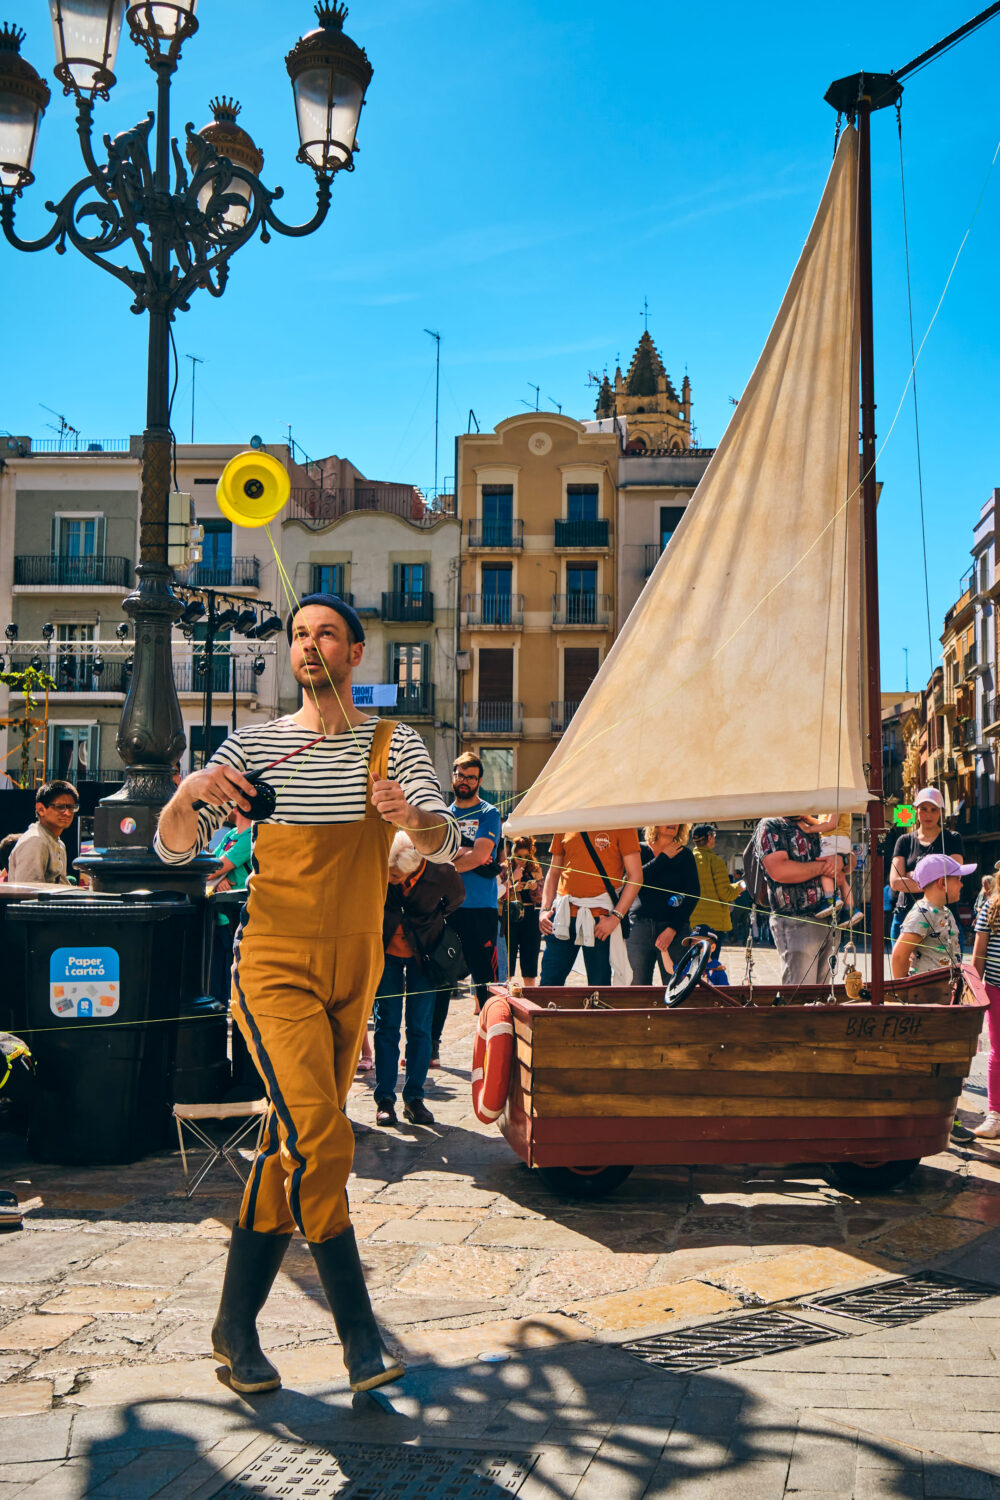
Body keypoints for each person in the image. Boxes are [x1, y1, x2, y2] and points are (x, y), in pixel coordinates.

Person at [154, 593, 459, 1396]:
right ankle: (360, 1336)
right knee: (324, 1137)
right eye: (298, 635)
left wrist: (413, 822)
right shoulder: (252, 747)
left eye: (326, 633)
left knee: (296, 1146)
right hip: (274, 965)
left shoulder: (395, 746)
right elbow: (179, 845)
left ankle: (233, 1328)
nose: (309, 644)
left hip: (355, 968)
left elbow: (442, 835)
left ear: (357, 653)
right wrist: (188, 796)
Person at [373, 832, 464, 1127]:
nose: (390, 878)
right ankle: (385, 1099)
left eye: (396, 874)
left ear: (415, 866)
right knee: (386, 1025)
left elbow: (456, 899)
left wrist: (430, 921)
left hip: (424, 957)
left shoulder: (442, 872)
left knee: (420, 1028)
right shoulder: (384, 869)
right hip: (386, 953)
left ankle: (414, 1098)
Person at [431, 753, 502, 1064]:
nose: (465, 781)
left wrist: (449, 860)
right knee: (440, 979)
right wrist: (466, 853)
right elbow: (432, 855)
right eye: (460, 775)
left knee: (484, 981)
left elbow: (481, 855)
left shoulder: (489, 813)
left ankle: (491, 1048)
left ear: (480, 781)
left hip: (480, 909)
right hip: (446, 909)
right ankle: (430, 1047)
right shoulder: (441, 816)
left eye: (471, 777)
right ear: (453, 778)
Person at [539, 828, 642, 986]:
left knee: (600, 988)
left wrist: (615, 918)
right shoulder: (566, 820)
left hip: (601, 919)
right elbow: (554, 872)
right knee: (548, 983)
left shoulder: (622, 822)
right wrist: (544, 910)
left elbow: (636, 876)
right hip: (562, 916)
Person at [755, 815, 841, 987]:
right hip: (795, 918)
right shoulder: (772, 824)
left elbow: (848, 859)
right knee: (800, 989)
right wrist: (826, 867)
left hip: (829, 919)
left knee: (824, 991)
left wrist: (844, 859)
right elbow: (780, 871)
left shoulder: (816, 822)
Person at [889, 787, 963, 942]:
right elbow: (895, 882)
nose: (928, 814)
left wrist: (912, 876)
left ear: (941, 812)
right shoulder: (904, 841)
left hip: (943, 915)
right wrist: (934, 881)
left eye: (933, 809)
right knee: (903, 965)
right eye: (923, 809)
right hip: (906, 915)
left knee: (946, 966)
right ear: (915, 810)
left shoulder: (952, 839)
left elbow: (953, 878)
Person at [627, 824, 699, 982]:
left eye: (677, 819)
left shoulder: (685, 854)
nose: (673, 822)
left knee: (676, 986)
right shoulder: (639, 850)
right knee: (636, 987)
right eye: (668, 818)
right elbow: (631, 881)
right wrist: (663, 858)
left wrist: (672, 929)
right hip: (639, 927)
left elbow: (693, 895)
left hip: (674, 929)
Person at [891, 853, 972, 981]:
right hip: (927, 996)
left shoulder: (946, 911)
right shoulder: (922, 913)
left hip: (945, 992)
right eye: (958, 879)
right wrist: (904, 992)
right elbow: (899, 956)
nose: (961, 885)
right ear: (942, 883)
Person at [971, 885, 1000, 1139]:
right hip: (996, 988)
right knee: (998, 1052)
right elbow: (979, 953)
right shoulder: (991, 907)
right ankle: (995, 1115)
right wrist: (974, 993)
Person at [797, 812, 863, 925]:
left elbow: (831, 824)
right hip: (841, 840)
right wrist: (810, 820)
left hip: (832, 839)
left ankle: (830, 900)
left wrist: (809, 829)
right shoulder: (836, 803)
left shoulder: (835, 799)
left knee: (825, 868)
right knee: (840, 876)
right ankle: (850, 909)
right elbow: (824, 823)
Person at [7, 780, 78, 884]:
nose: (67, 813)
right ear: (41, 809)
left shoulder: (58, 843)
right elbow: (29, 891)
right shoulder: (35, 841)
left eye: (71, 807)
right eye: (60, 807)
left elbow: (62, 887)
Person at [689, 823, 744, 950]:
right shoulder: (716, 861)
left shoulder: (688, 859)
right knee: (710, 964)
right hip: (714, 925)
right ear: (709, 838)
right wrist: (739, 887)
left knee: (695, 963)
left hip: (692, 922)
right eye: (714, 835)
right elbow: (725, 894)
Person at [504, 836, 543, 987]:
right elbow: (498, 894)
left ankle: (530, 992)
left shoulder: (535, 868)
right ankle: (506, 989)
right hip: (511, 914)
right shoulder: (505, 868)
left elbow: (541, 896)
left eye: (526, 856)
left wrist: (535, 888)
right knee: (508, 955)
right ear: (513, 855)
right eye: (519, 856)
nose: (522, 860)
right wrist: (513, 886)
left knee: (530, 954)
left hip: (530, 914)